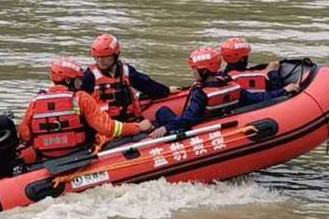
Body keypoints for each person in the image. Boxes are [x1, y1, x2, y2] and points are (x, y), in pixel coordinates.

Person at [150, 47, 298, 137]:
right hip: (215, 120)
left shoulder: (201, 93)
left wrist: (166, 127)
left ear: (204, 71)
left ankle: (153, 129)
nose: (192, 73)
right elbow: (257, 98)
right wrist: (283, 90)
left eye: (194, 69)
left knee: (162, 111)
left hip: (196, 126)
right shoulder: (231, 84)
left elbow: (189, 119)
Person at [19, 57, 154, 156]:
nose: (80, 84)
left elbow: (25, 133)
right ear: (68, 80)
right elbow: (108, 128)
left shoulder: (35, 102)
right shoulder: (81, 98)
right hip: (79, 152)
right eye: (78, 80)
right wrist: (138, 127)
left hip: (46, 156)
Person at [81, 33, 171, 124]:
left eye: (104, 57)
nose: (100, 61)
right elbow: (80, 101)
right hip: (107, 126)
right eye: (97, 57)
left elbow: (147, 84)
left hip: (130, 121)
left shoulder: (127, 71)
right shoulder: (90, 76)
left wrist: (166, 90)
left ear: (115, 55)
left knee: (164, 115)